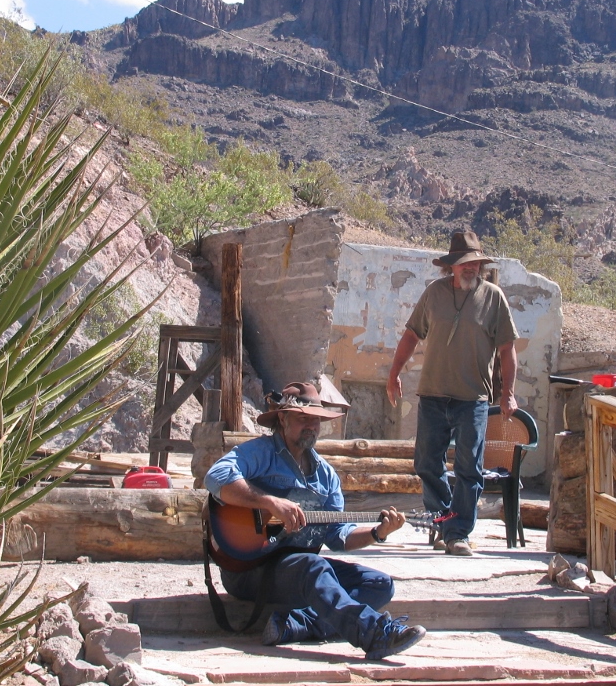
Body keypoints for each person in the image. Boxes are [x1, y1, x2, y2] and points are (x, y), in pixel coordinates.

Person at [203, 382, 427, 659]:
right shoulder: (260, 453)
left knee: (379, 584)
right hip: (247, 569)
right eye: (303, 418)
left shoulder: (326, 476)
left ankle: (296, 624)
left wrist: (377, 533)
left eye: (316, 420)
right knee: (313, 565)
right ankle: (375, 634)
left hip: (298, 571)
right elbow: (215, 476)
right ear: (283, 419)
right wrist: (268, 501)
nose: (311, 426)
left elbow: (338, 537)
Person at [386, 230, 519, 557]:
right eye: (464, 263)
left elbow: (507, 349)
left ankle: (457, 533)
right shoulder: (434, 294)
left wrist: (509, 393)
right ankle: (444, 522)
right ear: (452, 267)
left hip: (472, 398)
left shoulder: (493, 298)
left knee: (469, 469)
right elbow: (411, 336)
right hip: (432, 395)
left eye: (475, 263)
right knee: (426, 464)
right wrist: (393, 375)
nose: (470, 268)